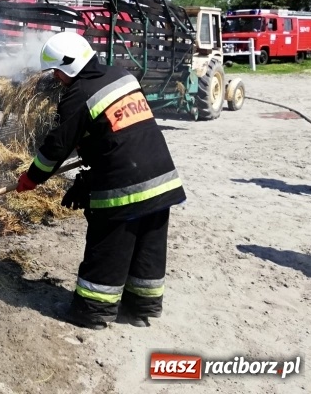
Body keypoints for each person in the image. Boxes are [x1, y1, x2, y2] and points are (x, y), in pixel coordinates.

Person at [16, 31, 186, 330]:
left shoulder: (79, 95)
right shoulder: (123, 76)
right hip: (162, 177)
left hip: (124, 184)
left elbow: (57, 145)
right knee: (149, 243)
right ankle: (142, 309)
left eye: (56, 71)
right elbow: (118, 128)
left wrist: (32, 178)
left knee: (109, 246)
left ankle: (93, 312)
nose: (55, 78)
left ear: (67, 67)